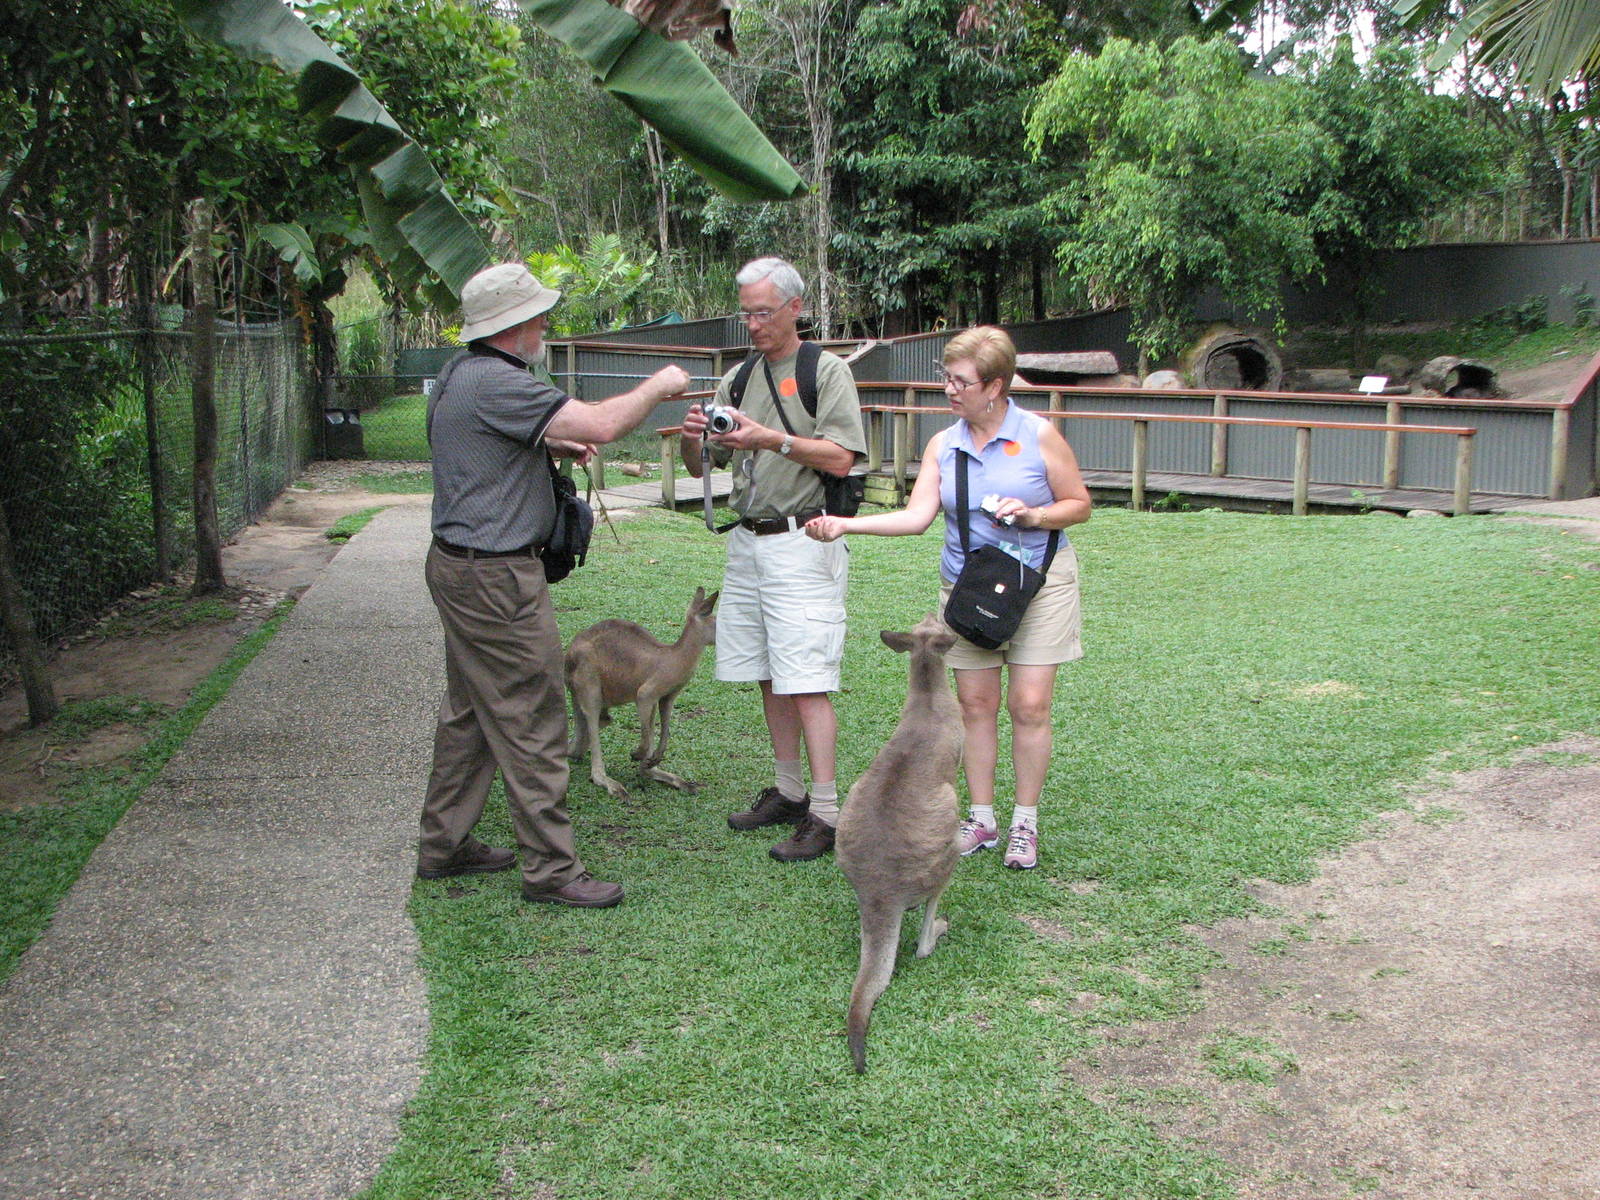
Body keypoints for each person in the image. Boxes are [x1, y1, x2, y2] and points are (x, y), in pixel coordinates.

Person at [418, 261, 691, 908]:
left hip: (459, 566)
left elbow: (489, 448)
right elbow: (601, 423)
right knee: (533, 717)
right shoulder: (497, 382)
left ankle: (444, 843)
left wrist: (547, 448)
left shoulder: (460, 376)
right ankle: (551, 870)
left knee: (471, 713)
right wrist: (659, 386)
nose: (546, 322)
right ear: (513, 326)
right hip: (496, 579)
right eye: (539, 313)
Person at [805, 326, 1090, 871]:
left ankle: (1024, 823)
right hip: (968, 588)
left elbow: (1079, 504)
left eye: (960, 381)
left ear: (995, 386)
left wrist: (1035, 515)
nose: (949, 390)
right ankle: (981, 819)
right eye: (946, 378)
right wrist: (846, 524)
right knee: (975, 705)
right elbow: (917, 517)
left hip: (1038, 582)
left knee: (1029, 705)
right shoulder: (945, 443)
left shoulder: (1038, 435)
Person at [679, 257, 867, 862]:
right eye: (746, 312)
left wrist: (770, 438)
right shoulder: (739, 376)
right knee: (767, 672)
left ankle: (828, 811)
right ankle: (788, 792)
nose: (753, 324)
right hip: (748, 541)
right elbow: (701, 468)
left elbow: (842, 458)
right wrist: (694, 439)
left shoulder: (827, 371)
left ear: (795, 307)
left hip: (803, 539)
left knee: (807, 680)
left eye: (763, 311)